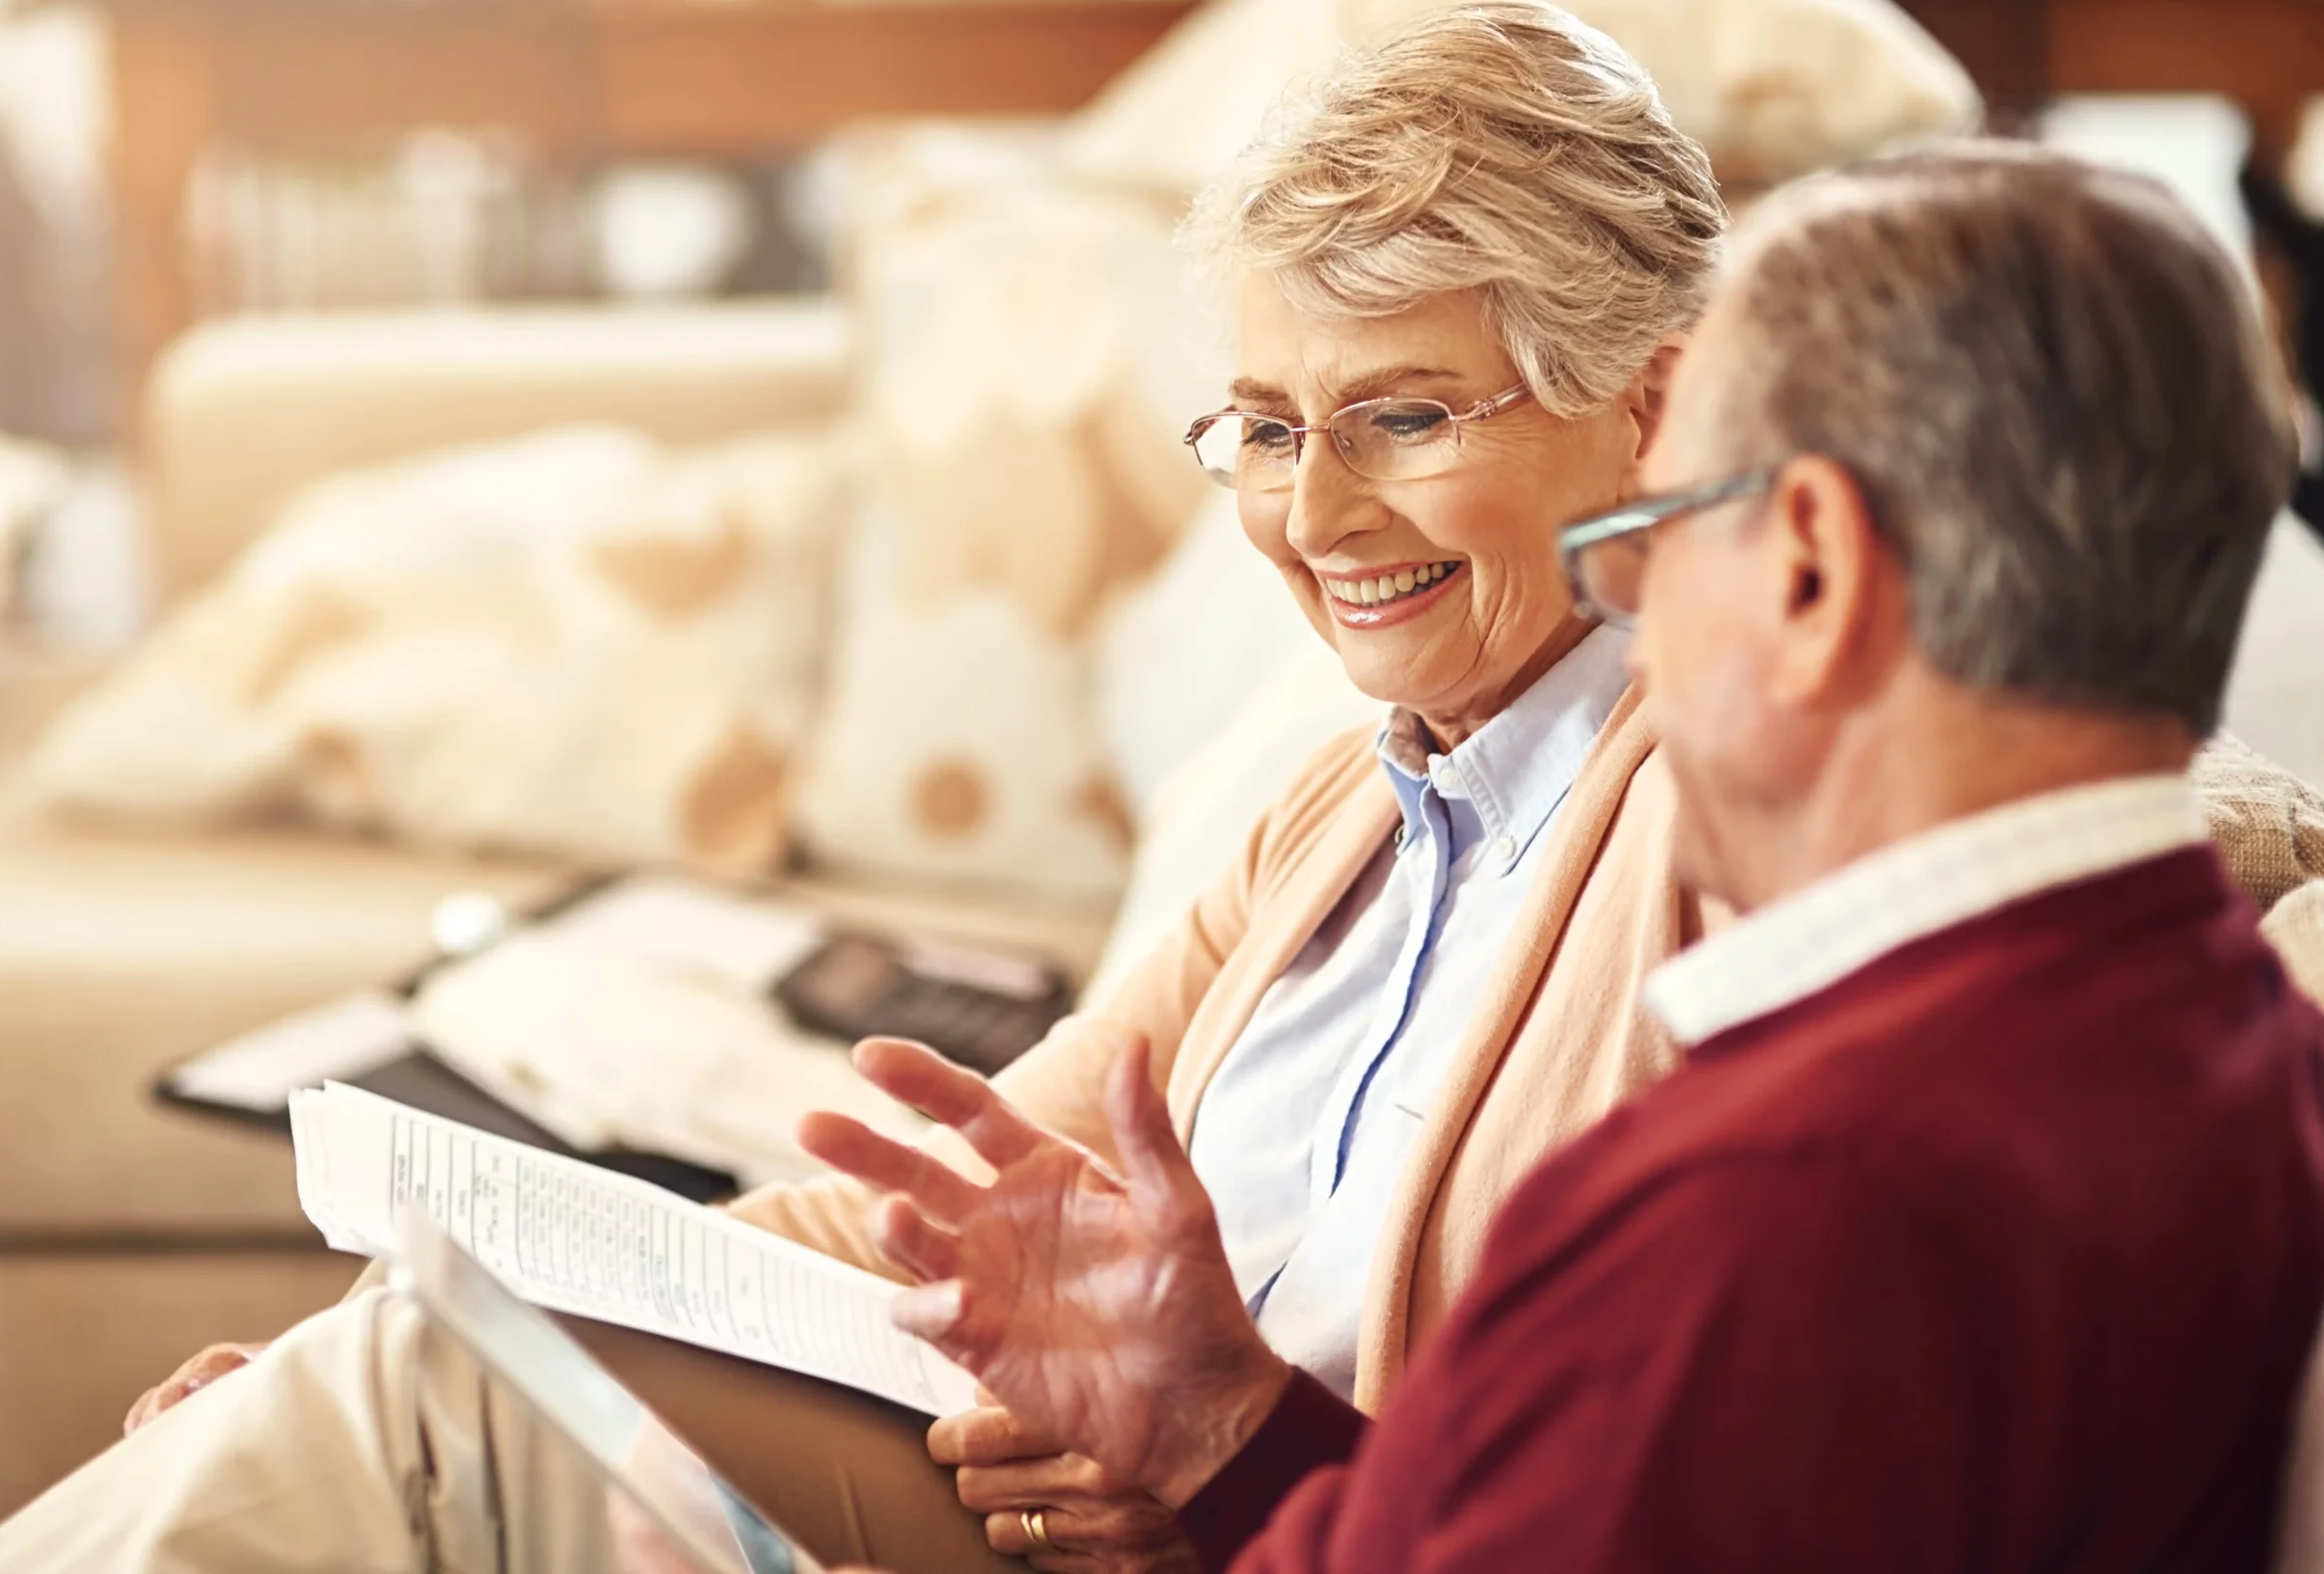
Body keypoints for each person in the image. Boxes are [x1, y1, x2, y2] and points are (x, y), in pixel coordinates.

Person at [0, 3, 1729, 1574]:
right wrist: (435, 1326)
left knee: (410, 1437)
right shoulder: (1335, 820)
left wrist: (1226, 1462)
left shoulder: (1711, 822)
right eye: (1267, 428)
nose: (1315, 518)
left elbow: (1634, 1470)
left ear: (1650, 411)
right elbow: (935, 1207)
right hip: (1076, 1505)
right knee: (408, 1399)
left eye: (1406, 419)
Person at [799, 142, 2324, 1572]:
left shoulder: (1770, 1207)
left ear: (1809, 562)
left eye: (1665, 524)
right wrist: (1222, 1430)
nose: (1631, 596)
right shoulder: (2245, 1045)